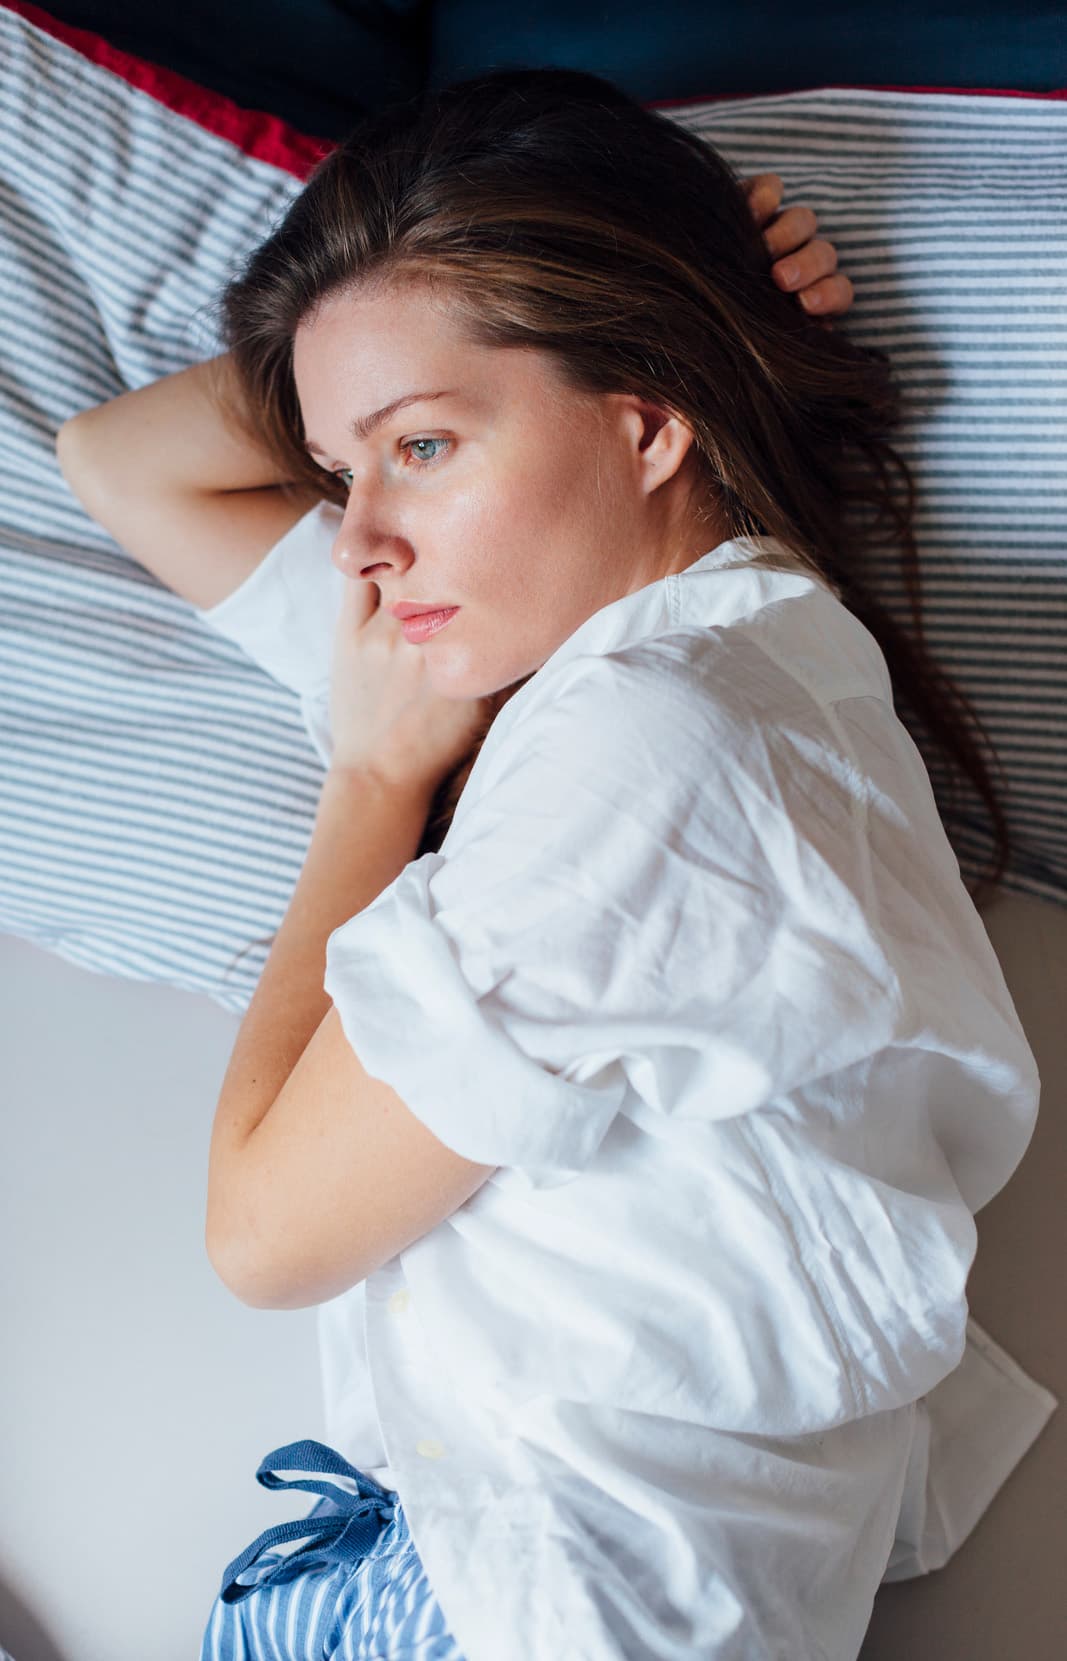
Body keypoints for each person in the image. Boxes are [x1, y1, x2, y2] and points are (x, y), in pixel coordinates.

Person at [55, 68, 1039, 1661]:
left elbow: (264, 1236)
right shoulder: (518, 649)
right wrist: (399, 368)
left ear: (651, 417)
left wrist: (374, 776)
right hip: (468, 1571)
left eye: (426, 448)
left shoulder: (655, 745)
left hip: (542, 1606)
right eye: (336, 477)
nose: (358, 540)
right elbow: (119, 460)